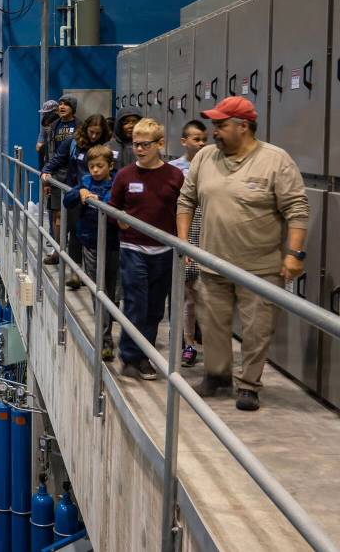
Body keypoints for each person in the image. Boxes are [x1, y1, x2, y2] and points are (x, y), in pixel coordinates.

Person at [177, 97, 309, 411]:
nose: (214, 132)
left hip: (259, 268)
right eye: (214, 125)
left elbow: (297, 209)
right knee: (213, 326)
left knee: (256, 331)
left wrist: (294, 254)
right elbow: (186, 200)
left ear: (243, 126)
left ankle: (249, 385)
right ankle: (217, 376)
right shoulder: (205, 156)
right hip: (212, 264)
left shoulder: (275, 160)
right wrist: (184, 243)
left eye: (221, 125)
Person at [109, 117, 184, 381]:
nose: (139, 149)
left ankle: (145, 355)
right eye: (135, 144)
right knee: (135, 304)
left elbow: (183, 209)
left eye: (145, 144)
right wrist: (119, 219)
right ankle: (129, 356)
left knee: (154, 308)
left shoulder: (175, 176)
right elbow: (113, 206)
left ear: (160, 144)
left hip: (163, 251)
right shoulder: (125, 175)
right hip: (133, 248)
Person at [42, 114, 112, 288]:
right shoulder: (73, 142)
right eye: (91, 132)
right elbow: (58, 158)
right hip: (76, 192)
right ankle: (75, 272)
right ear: (86, 129)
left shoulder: (106, 146)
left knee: (97, 236)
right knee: (75, 232)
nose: (94, 136)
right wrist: (46, 171)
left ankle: (93, 275)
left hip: (99, 195)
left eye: (98, 133)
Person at [63, 144, 119, 361]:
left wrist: (100, 201)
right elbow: (67, 201)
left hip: (112, 244)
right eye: (92, 166)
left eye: (100, 166)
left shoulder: (116, 184)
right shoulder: (85, 181)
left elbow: (116, 205)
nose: (95, 170)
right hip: (90, 242)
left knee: (111, 291)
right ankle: (105, 340)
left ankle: (109, 325)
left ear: (110, 166)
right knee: (99, 291)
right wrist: (79, 192)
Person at [168, 120, 208, 367]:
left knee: (204, 297)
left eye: (204, 139)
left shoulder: (213, 167)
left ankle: (197, 342)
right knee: (186, 295)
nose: (201, 143)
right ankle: (186, 344)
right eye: (196, 139)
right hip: (186, 234)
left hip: (208, 234)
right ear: (184, 141)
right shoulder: (174, 170)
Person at [39, 96, 80, 266]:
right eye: (61, 104)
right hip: (56, 176)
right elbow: (49, 154)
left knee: (75, 218)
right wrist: (46, 181)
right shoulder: (54, 126)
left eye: (66, 104)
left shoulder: (79, 126)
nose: (62, 107)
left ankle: (75, 257)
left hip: (75, 176)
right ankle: (57, 252)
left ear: (73, 108)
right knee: (57, 216)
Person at [36, 100, 60, 169]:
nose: (45, 115)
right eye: (44, 113)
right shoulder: (45, 124)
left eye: (48, 113)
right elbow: (38, 147)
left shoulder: (61, 125)